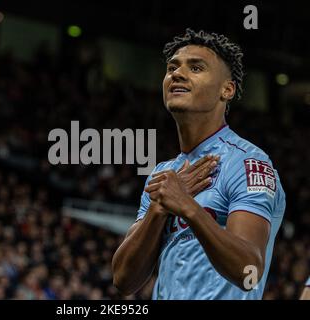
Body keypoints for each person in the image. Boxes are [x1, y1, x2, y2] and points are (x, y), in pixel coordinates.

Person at [112, 29, 286, 300]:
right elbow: (123, 279)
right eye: (172, 68)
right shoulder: (162, 175)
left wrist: (188, 207)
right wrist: (158, 209)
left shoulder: (249, 163)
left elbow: (249, 271)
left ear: (227, 90)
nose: (177, 74)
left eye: (195, 67)